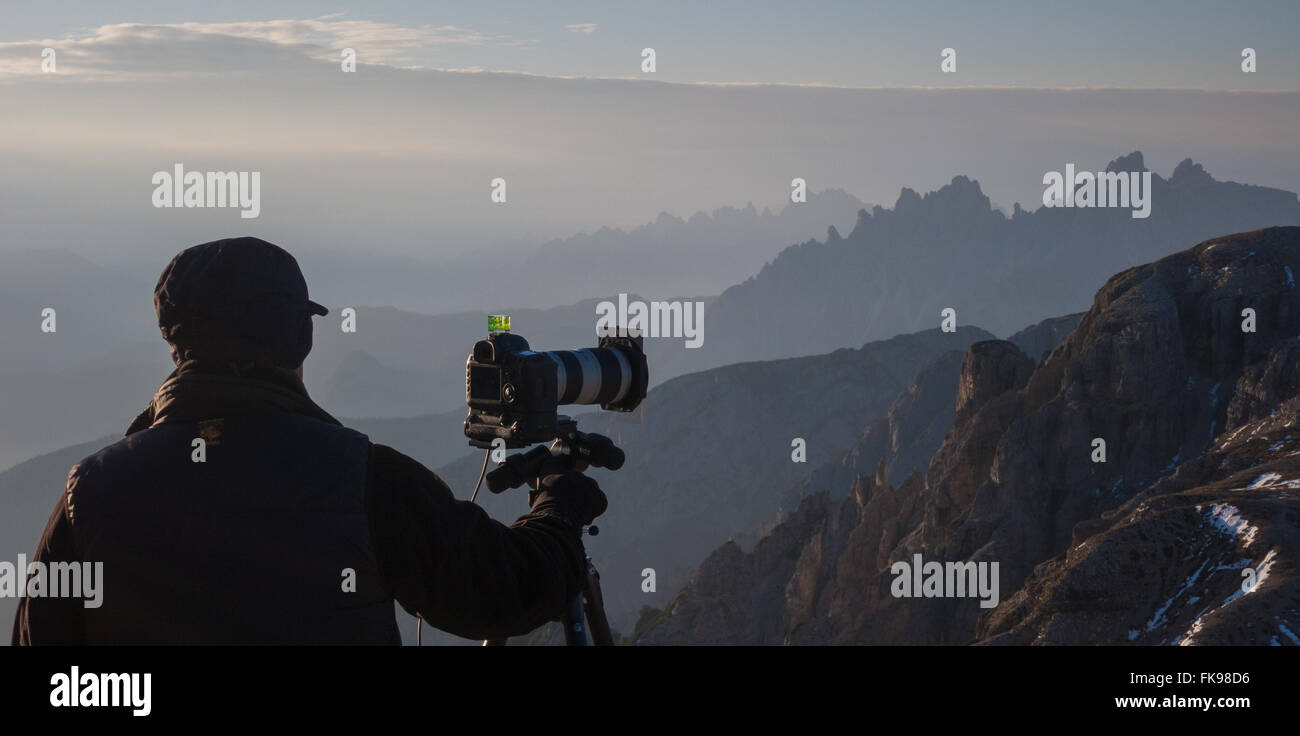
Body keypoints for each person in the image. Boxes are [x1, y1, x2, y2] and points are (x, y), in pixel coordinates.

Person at [11, 236, 607, 645]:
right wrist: (558, 508)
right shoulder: (362, 479)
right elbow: (506, 590)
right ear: (301, 340)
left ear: (176, 341)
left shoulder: (91, 494)